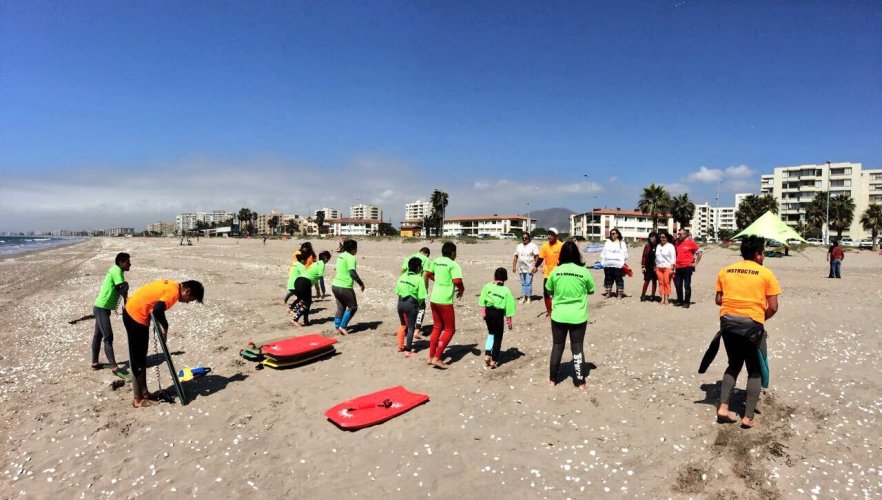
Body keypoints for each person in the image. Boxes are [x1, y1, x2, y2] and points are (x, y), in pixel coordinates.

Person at [714, 236, 780, 429]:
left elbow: (719, 300)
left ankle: (723, 408)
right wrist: (759, 319)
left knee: (733, 364)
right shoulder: (766, 274)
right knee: (754, 370)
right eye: (763, 253)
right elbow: (774, 307)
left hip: (727, 323)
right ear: (758, 254)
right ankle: (748, 417)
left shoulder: (725, 271)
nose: (764, 256)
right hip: (752, 325)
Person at [123, 279, 204, 408]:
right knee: (138, 359)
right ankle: (138, 399)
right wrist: (165, 326)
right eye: (191, 299)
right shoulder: (173, 293)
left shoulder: (172, 285)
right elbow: (157, 309)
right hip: (135, 316)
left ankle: (144, 392)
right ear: (187, 291)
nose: (188, 302)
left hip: (133, 311)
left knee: (141, 358)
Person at [545, 241, 596, 389]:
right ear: (576, 255)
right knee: (577, 348)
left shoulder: (556, 271)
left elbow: (549, 290)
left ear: (562, 255)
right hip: (578, 316)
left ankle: (552, 380)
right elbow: (591, 290)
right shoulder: (584, 271)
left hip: (559, 316)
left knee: (557, 346)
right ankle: (580, 382)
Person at [91, 252, 131, 377]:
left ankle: (95, 363)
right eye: (127, 262)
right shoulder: (116, 271)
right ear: (121, 262)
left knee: (98, 335)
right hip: (101, 308)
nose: (130, 264)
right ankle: (114, 367)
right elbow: (121, 287)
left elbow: (122, 290)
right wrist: (126, 286)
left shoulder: (119, 271)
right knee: (108, 337)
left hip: (104, 308)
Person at [425, 241, 464, 369]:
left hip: (434, 298)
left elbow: (428, 273)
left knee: (437, 327)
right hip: (445, 300)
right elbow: (457, 280)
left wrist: (438, 280)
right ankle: (437, 358)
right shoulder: (453, 264)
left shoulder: (436, 261)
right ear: (453, 253)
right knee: (449, 329)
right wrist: (461, 288)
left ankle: (430, 357)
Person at [479, 267, 516, 369]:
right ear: (505, 278)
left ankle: (487, 354)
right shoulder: (506, 291)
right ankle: (494, 360)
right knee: (498, 336)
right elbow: (509, 308)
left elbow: (482, 301)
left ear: (494, 276)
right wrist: (509, 322)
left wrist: (484, 314)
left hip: (488, 312)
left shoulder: (487, 286)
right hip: (498, 314)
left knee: (491, 333)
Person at [395, 257, 428, 356]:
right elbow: (422, 296)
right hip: (411, 304)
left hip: (400, 303)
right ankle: (408, 350)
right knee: (410, 327)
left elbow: (397, 291)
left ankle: (400, 346)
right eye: (421, 266)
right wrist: (418, 305)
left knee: (402, 325)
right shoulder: (419, 279)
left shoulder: (402, 276)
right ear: (418, 268)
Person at [332, 239, 365, 335]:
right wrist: (361, 283)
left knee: (341, 308)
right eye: (356, 248)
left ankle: (337, 328)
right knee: (353, 307)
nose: (357, 250)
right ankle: (343, 326)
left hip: (335, 285)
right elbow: (352, 272)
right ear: (353, 248)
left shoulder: (340, 256)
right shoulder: (351, 257)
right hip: (344, 286)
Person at [532, 228, 564, 317]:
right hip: (548, 274)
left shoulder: (561, 245)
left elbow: (565, 258)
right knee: (546, 293)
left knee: (559, 293)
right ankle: (549, 312)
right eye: (548, 234)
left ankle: (558, 310)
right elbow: (541, 258)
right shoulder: (545, 246)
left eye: (552, 234)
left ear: (556, 236)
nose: (549, 236)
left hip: (559, 273)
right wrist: (535, 266)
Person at [401, 247, 431, 330]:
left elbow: (402, 270)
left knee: (408, 305)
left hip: (406, 284)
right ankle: (417, 328)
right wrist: (426, 286)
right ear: (427, 254)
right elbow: (425, 274)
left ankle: (406, 327)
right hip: (417, 285)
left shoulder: (409, 257)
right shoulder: (426, 259)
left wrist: (402, 281)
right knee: (421, 307)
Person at [673, 228, 702, 308]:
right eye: (678, 234)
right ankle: (679, 300)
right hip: (678, 267)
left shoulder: (691, 242)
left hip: (687, 267)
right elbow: (675, 253)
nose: (679, 235)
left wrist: (695, 263)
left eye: (680, 234)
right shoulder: (677, 242)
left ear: (685, 235)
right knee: (678, 285)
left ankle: (687, 302)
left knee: (686, 285)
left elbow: (700, 252)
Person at [600, 228, 628, 299]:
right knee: (608, 279)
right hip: (607, 265)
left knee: (619, 280)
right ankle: (608, 294)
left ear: (617, 234)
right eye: (611, 233)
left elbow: (625, 254)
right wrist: (603, 262)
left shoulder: (622, 243)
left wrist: (623, 263)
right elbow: (603, 252)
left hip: (618, 265)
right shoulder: (607, 242)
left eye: (613, 233)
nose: (612, 235)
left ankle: (619, 294)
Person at [512, 233, 539, 303]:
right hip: (521, 267)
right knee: (523, 283)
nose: (524, 239)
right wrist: (514, 266)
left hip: (530, 267)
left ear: (529, 238)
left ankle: (529, 297)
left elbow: (536, 256)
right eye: (523, 238)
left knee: (528, 282)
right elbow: (516, 256)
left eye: (526, 238)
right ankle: (524, 297)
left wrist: (536, 266)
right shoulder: (519, 246)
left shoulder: (533, 246)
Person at [654, 232, 677, 305]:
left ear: (667, 238)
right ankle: (662, 298)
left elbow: (673, 258)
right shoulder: (658, 246)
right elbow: (656, 257)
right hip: (659, 267)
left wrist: (672, 269)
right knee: (661, 283)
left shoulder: (670, 246)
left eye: (664, 237)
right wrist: (655, 266)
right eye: (661, 237)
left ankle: (667, 299)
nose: (662, 239)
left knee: (667, 283)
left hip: (667, 267)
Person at [639, 232, 659, 302]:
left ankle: (653, 295)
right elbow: (644, 256)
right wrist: (643, 266)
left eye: (653, 237)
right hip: (647, 266)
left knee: (654, 281)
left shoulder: (658, 246)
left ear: (656, 238)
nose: (651, 238)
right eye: (650, 237)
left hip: (656, 266)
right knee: (646, 280)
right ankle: (643, 295)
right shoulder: (647, 246)